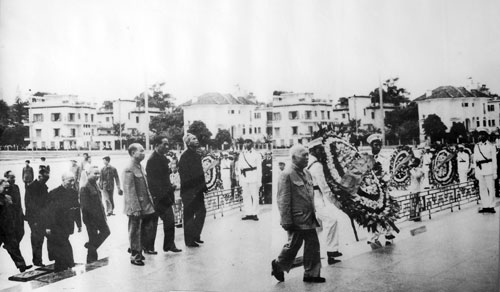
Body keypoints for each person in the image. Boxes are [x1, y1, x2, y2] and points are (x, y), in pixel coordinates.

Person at [271, 144, 324, 283]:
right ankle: (278, 265)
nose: (307, 158)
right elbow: (283, 199)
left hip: (309, 216)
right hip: (296, 219)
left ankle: (311, 274)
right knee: (293, 246)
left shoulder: (307, 173)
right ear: (294, 157)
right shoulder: (286, 174)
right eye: (304, 155)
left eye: (308, 155)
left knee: (313, 244)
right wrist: (286, 220)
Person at [307, 139, 342, 265]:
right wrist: (335, 201)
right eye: (320, 149)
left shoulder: (306, 162)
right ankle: (331, 251)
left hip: (308, 198)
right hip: (316, 199)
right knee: (331, 220)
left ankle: (320, 253)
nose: (322, 151)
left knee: (318, 228)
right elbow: (324, 187)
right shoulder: (317, 165)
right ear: (314, 150)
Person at [145, 135, 182, 254]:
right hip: (158, 198)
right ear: (156, 145)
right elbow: (153, 182)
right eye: (164, 144)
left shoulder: (163, 158)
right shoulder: (152, 160)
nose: (167, 146)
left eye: (167, 144)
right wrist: (161, 196)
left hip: (165, 196)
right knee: (154, 223)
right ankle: (150, 247)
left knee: (168, 221)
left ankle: (168, 245)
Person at [121, 143, 155, 265]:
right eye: (141, 151)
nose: (143, 153)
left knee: (143, 229)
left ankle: (139, 251)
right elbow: (129, 191)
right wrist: (135, 208)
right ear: (132, 153)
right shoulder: (129, 169)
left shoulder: (140, 166)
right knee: (135, 230)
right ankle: (135, 256)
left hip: (145, 205)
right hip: (136, 206)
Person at [45, 172, 82, 272]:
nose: (72, 182)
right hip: (56, 224)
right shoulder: (54, 193)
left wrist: (79, 224)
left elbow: (77, 208)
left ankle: (64, 264)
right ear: (63, 180)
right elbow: (48, 211)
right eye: (70, 180)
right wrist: (47, 226)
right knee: (62, 243)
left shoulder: (73, 193)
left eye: (73, 180)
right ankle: (66, 263)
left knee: (62, 242)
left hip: (68, 224)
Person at [178, 133, 207, 247]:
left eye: (196, 138)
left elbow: (199, 174)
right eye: (194, 139)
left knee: (202, 213)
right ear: (188, 142)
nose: (197, 140)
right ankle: (190, 240)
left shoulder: (196, 155)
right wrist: (193, 189)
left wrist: (203, 187)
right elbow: (185, 176)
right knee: (189, 216)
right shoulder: (185, 157)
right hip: (189, 192)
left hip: (198, 191)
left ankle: (195, 235)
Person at [366, 134, 396, 245]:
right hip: (371, 190)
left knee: (386, 211)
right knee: (372, 213)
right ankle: (373, 237)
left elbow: (387, 173)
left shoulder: (385, 159)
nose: (378, 147)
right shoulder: (366, 158)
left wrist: (382, 179)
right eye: (375, 145)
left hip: (383, 188)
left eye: (379, 145)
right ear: (371, 145)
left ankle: (389, 234)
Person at [0, 178, 32, 273]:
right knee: (12, 245)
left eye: (8, 188)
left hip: (6, 228)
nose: (7, 190)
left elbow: (12, 212)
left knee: (13, 245)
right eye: (4, 188)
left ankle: (22, 266)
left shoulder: (7, 198)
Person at [80, 166, 110, 263]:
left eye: (98, 173)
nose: (97, 176)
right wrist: (90, 221)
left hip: (99, 216)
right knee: (93, 238)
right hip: (91, 219)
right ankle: (91, 260)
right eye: (95, 173)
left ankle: (91, 247)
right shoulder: (85, 187)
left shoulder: (95, 185)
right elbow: (85, 207)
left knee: (106, 232)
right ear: (88, 174)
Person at [25, 169, 50, 267]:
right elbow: (29, 205)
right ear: (39, 176)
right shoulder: (31, 187)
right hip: (34, 218)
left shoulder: (43, 186)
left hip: (42, 217)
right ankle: (37, 260)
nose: (46, 180)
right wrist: (34, 220)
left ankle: (38, 259)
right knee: (37, 239)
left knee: (40, 238)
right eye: (45, 178)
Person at [474, 128, 497, 213]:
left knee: (491, 188)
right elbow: (475, 160)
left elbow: (494, 160)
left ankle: (491, 206)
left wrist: (495, 172)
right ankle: (485, 205)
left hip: (489, 168)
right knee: (482, 188)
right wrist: (476, 172)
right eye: (480, 134)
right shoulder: (477, 146)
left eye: (483, 134)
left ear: (487, 136)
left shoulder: (491, 146)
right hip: (480, 169)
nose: (481, 136)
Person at [238, 139, 262, 220]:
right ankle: (248, 213)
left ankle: (255, 213)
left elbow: (259, 168)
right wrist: (240, 179)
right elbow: (239, 167)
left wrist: (259, 180)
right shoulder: (242, 154)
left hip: (254, 176)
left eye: (248, 142)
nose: (246, 144)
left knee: (255, 195)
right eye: (245, 142)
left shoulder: (257, 154)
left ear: (252, 144)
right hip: (244, 177)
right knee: (246, 195)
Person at [4, 171, 25, 243]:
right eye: (12, 177)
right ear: (6, 178)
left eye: (14, 177)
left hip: (18, 214)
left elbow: (19, 202)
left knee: (21, 233)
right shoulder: (4, 189)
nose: (14, 179)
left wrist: (22, 214)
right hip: (10, 216)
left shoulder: (16, 187)